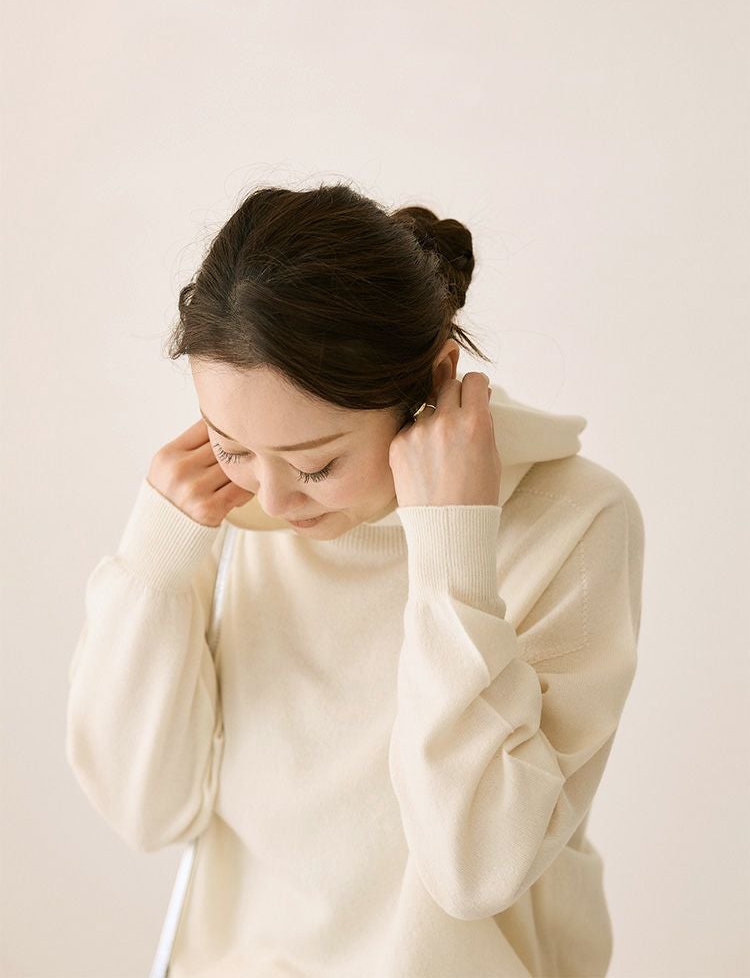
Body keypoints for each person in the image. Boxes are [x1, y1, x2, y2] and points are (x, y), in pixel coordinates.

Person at [65, 183, 645, 977]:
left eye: (316, 466)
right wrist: (154, 564)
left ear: (434, 382)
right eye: (231, 446)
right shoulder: (227, 515)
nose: (273, 499)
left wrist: (452, 551)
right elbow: (147, 811)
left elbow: (476, 870)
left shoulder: (573, 520)